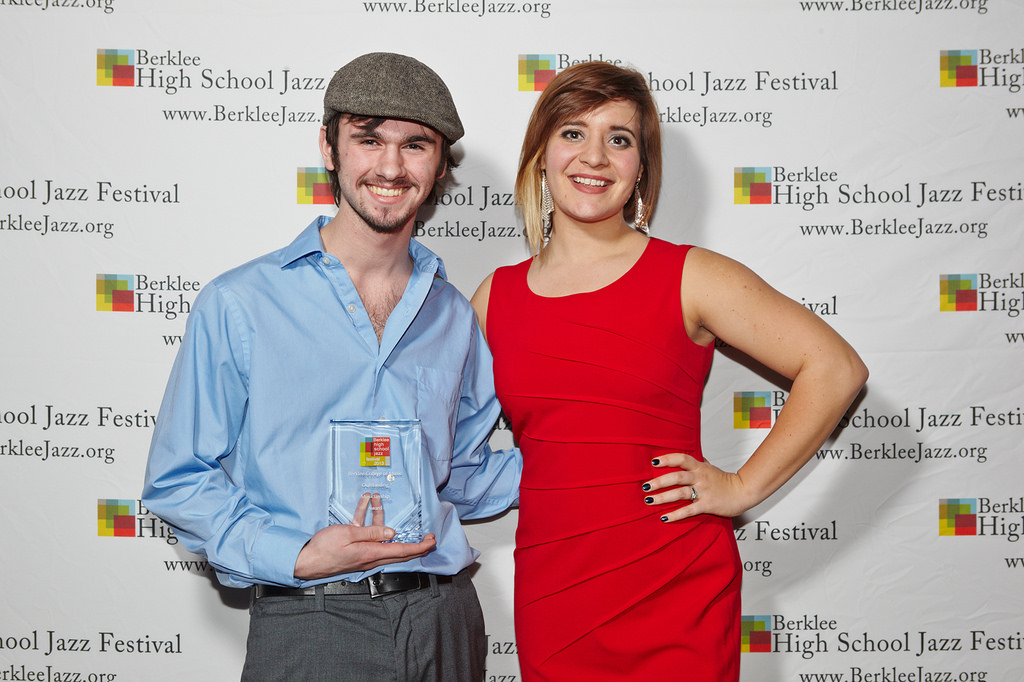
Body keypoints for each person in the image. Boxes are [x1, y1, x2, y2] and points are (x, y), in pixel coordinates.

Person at [471, 61, 868, 681]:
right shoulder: (496, 297)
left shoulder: (689, 276)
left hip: (674, 586)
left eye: (619, 139)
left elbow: (836, 367)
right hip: (555, 596)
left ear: (642, 167)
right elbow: (443, 435)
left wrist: (742, 487)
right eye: (573, 133)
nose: (595, 156)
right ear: (541, 156)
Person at [142, 52, 521, 682]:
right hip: (310, 621)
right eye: (369, 139)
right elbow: (177, 480)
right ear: (329, 147)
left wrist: (600, 462)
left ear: (439, 165)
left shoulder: (454, 314)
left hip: (445, 617)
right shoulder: (241, 303)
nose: (391, 167)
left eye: (415, 145)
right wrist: (294, 555)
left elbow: (464, 474)